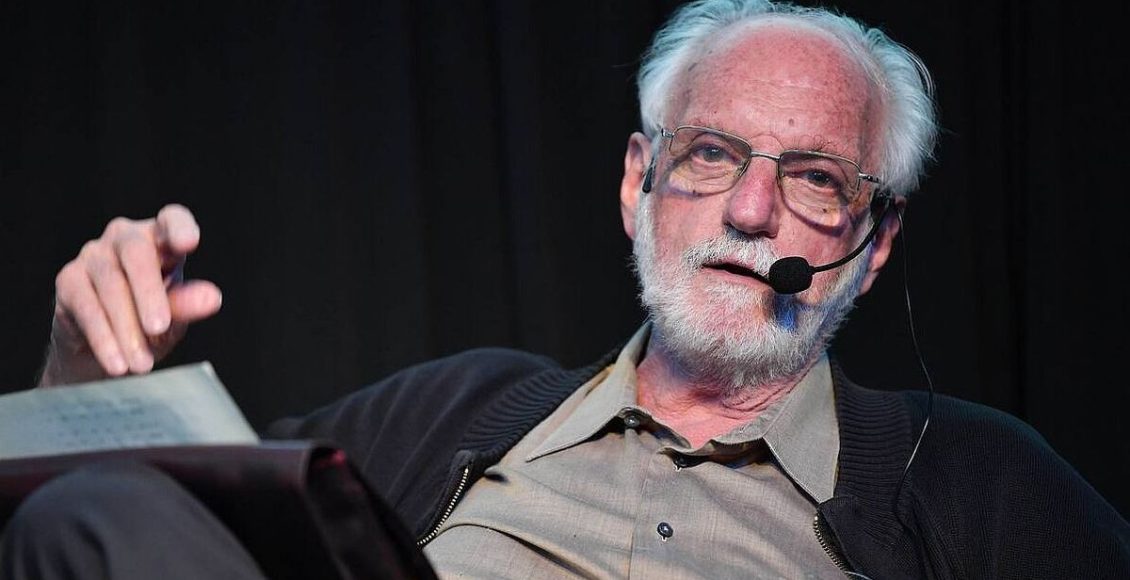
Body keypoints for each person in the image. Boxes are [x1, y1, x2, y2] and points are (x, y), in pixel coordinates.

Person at [4, 0, 1128, 578]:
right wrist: (84, 374)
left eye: (815, 179)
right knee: (92, 510)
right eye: (709, 155)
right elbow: (147, 536)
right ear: (639, 185)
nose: (750, 212)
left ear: (872, 244)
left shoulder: (977, 483)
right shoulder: (451, 411)